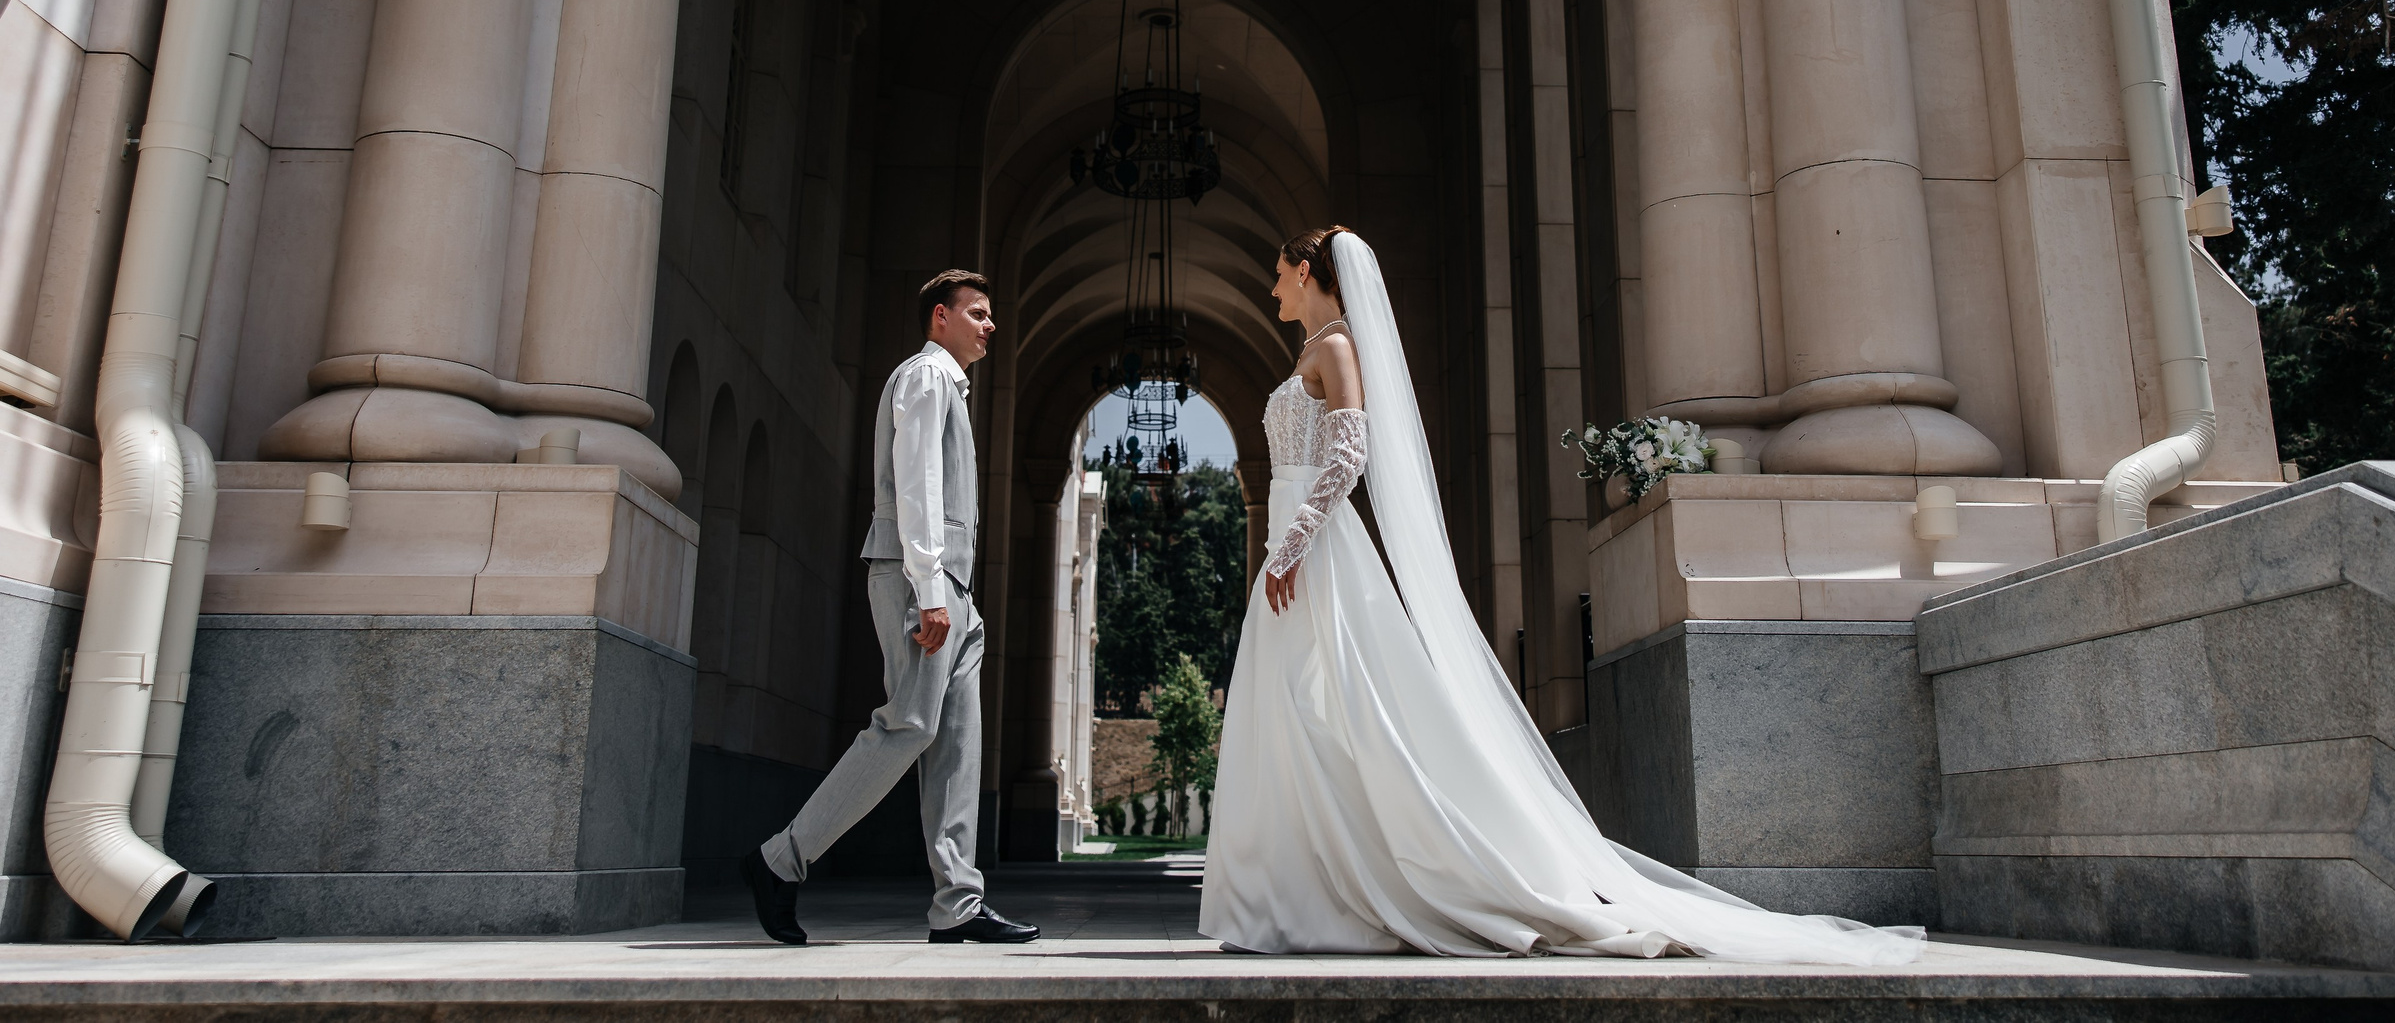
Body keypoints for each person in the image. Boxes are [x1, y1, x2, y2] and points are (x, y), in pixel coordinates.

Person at [1199, 226, 1929, 962]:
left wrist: (1292, 544)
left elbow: (1350, 451)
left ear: (1304, 270)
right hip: (1291, 547)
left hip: (1314, 550)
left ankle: (1359, 886)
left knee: (1352, 710)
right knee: (1293, 713)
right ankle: (1292, 895)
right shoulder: (1310, 349)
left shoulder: (1337, 349)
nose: (1272, 289)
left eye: (1279, 274)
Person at [739, 269, 1039, 947]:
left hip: (951, 588)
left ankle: (959, 901)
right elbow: (918, 484)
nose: (991, 325)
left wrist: (952, 593)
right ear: (941, 317)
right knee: (906, 724)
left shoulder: (951, 387)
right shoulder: (927, 377)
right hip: (920, 580)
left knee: (957, 742)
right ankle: (778, 861)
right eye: (979, 314)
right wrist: (930, 589)